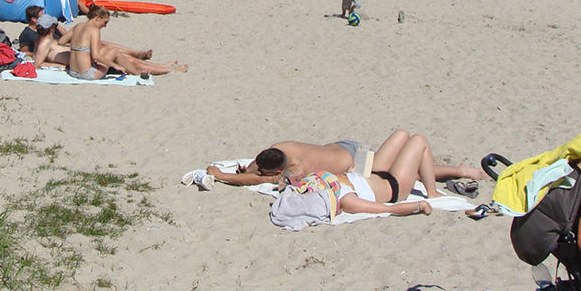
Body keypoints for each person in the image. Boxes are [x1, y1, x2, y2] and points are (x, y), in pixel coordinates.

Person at [206, 129, 484, 188]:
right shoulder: (278, 147)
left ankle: (461, 170)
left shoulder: (294, 167)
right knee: (403, 165)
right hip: (342, 145)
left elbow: (257, 177)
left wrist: (222, 176)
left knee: (408, 171)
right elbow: (256, 168)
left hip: (357, 159)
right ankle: (459, 169)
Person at [65, 7, 187, 79]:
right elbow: (96, 56)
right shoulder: (94, 30)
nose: (105, 26)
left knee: (109, 48)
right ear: (98, 18)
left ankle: (162, 66)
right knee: (114, 51)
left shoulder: (78, 26)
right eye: (105, 22)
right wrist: (115, 65)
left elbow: (61, 41)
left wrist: (79, 47)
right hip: (87, 74)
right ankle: (139, 73)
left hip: (73, 72)